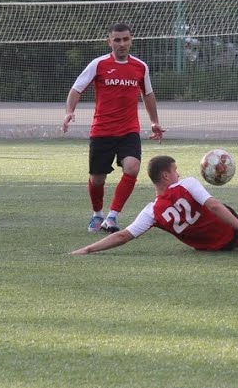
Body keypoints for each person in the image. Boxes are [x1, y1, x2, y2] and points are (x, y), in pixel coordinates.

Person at [62, 22, 166, 234]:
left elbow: (147, 94)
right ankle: (97, 214)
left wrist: (154, 122)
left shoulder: (140, 67)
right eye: (117, 40)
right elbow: (76, 89)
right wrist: (69, 111)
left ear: (131, 40)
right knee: (97, 179)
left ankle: (112, 216)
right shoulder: (98, 64)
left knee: (132, 167)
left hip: (129, 130)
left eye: (125, 39)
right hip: (102, 131)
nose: (122, 44)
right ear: (109, 41)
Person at [70, 155, 238, 255]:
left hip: (212, 247)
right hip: (230, 231)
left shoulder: (152, 211)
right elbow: (214, 206)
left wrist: (88, 249)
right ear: (166, 175)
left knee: (217, 232)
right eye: (175, 170)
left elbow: (122, 236)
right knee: (218, 211)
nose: (179, 173)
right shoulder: (187, 184)